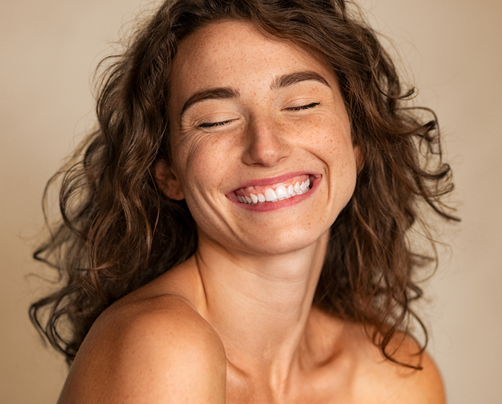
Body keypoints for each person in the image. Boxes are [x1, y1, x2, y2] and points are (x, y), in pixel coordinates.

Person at [30, 0, 457, 402]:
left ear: (357, 140)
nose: (266, 148)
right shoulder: (161, 345)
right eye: (215, 121)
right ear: (167, 171)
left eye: (302, 104)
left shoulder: (397, 378)